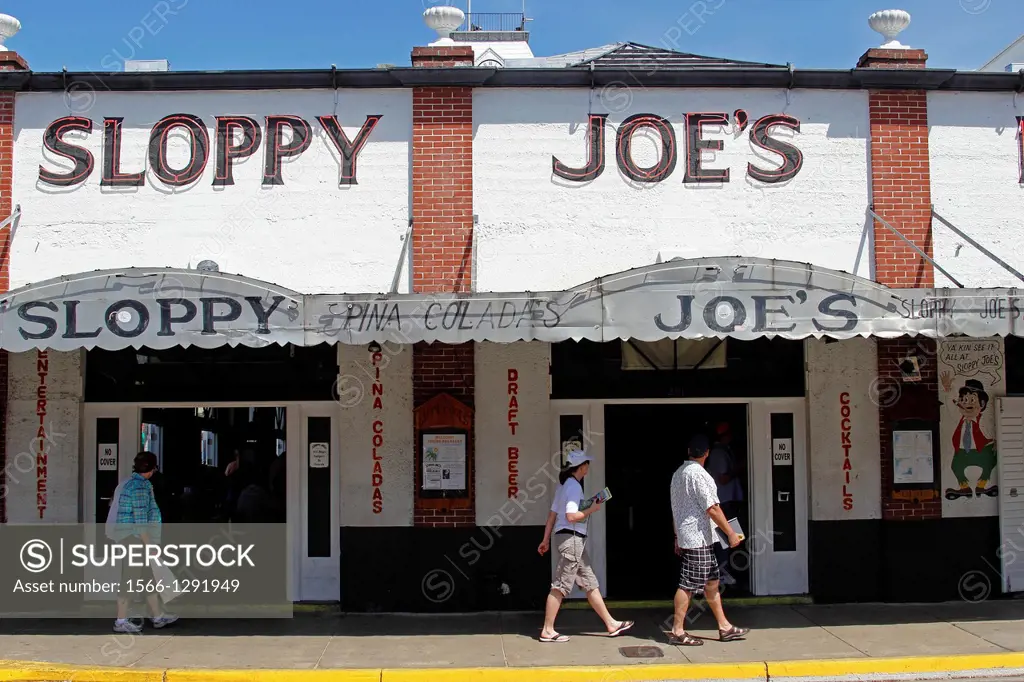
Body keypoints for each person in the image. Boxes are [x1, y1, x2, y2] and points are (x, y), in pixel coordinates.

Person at [537, 449, 634, 643]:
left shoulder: (563, 485)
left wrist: (545, 540)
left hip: (566, 539)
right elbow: (572, 516)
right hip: (572, 540)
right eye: (587, 464)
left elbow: (552, 517)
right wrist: (592, 508)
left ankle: (611, 624)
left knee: (589, 582)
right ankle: (547, 630)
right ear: (582, 467)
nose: (588, 466)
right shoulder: (574, 487)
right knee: (561, 585)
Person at [668, 434, 749, 646]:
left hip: (689, 535)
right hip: (698, 538)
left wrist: (677, 536)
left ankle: (725, 626)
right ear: (707, 454)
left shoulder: (678, 474)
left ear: (688, 452)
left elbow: (676, 510)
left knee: (712, 582)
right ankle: (677, 630)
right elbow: (712, 508)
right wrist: (730, 533)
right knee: (687, 584)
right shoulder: (700, 475)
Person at [107, 451, 178, 633]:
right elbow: (140, 522)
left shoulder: (129, 483)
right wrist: (150, 546)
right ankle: (121, 621)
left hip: (132, 538)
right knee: (130, 578)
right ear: (153, 468)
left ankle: (157, 616)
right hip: (135, 540)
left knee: (149, 577)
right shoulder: (140, 487)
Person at [705, 422, 744, 585]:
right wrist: (741, 467)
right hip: (723, 501)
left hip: (726, 500)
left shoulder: (722, 452)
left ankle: (724, 570)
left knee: (730, 537)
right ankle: (722, 572)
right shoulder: (719, 454)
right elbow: (723, 478)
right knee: (726, 537)